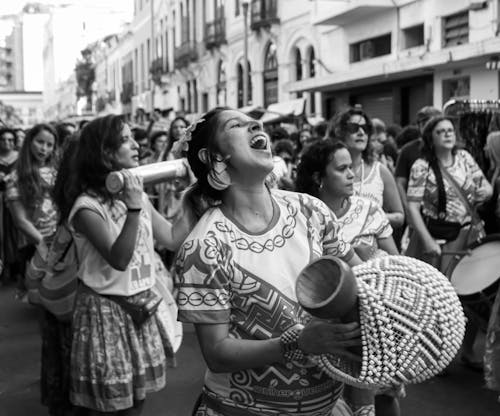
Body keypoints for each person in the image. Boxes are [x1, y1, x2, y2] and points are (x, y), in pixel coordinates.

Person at [174, 107, 363, 416]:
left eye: (254, 123)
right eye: (237, 125)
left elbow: (361, 281)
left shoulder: (310, 210)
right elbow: (218, 353)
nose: (256, 125)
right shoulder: (205, 246)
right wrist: (297, 343)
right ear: (214, 158)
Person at [54, 115, 194, 415]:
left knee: (138, 398)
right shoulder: (86, 207)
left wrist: (192, 194)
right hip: (106, 312)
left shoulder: (137, 194)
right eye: (126, 140)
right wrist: (132, 208)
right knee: (113, 404)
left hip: (141, 305)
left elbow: (171, 237)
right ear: (106, 153)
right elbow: (119, 259)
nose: (136, 145)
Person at [295, 139, 401, 416]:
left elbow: (396, 265)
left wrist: (368, 263)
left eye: (350, 167)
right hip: (320, 332)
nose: (352, 174)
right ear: (318, 177)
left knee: (383, 396)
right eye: (342, 169)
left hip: (370, 326)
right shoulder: (298, 217)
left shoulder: (368, 210)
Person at [406, 116, 492, 372]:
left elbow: (485, 188)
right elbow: (412, 205)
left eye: (450, 130)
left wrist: (480, 195)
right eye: (441, 131)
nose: (447, 134)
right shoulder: (422, 166)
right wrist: (428, 240)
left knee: (472, 293)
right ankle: (437, 355)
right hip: (440, 238)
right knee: (440, 297)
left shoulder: (465, 158)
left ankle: (466, 350)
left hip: (469, 233)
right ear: (430, 138)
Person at [6, 124, 59, 299]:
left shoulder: (57, 172)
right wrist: (42, 244)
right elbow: (20, 220)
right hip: (35, 243)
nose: (44, 148)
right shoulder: (16, 177)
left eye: (49, 145)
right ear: (29, 142)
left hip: (62, 238)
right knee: (42, 297)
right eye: (40, 142)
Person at [328, 108, 404, 229]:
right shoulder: (327, 170)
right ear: (339, 132)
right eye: (354, 128)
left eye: (366, 128)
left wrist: (369, 215)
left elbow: (399, 217)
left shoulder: (380, 171)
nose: (361, 132)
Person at [0, 127, 19, 285]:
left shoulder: (21, 159)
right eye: (3, 139)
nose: (7, 143)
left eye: (10, 140)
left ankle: (16, 269)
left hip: (17, 202)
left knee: (16, 234)